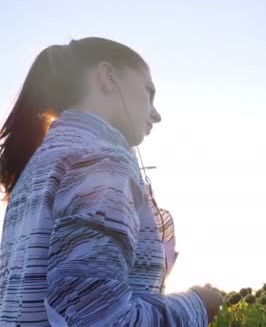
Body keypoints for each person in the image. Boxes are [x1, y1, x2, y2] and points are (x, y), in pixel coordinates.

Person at [0, 37, 223, 326]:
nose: (156, 114)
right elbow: (102, 319)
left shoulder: (36, 169)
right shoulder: (99, 161)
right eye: (149, 92)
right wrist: (197, 305)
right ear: (107, 77)